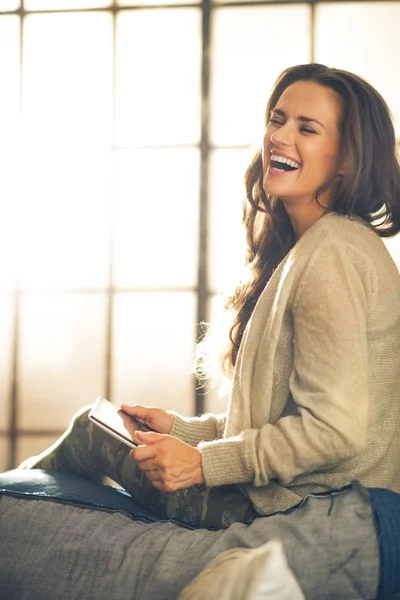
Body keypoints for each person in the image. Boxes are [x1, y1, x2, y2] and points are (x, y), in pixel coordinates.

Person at [19, 63, 400, 531]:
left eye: (308, 128)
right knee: (108, 425)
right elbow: (272, 425)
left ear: (347, 157)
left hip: (299, 512)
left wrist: (200, 464)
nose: (280, 137)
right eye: (277, 119)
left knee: (88, 433)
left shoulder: (332, 257)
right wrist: (178, 430)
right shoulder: (324, 245)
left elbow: (333, 432)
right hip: (297, 495)